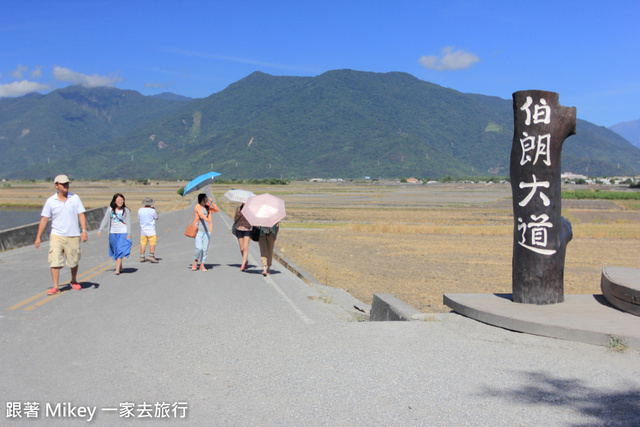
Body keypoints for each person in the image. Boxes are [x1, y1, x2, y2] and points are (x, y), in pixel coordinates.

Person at [34, 174, 88, 294]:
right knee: (54, 259)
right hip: (57, 235)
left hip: (73, 234)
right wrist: (38, 237)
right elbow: (44, 219)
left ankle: (74, 280)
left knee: (74, 259)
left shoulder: (75, 198)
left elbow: (81, 214)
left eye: (67, 184)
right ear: (56, 185)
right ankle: (55, 286)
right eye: (63, 184)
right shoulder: (50, 201)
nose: (66, 186)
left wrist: (84, 231)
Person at [97, 193, 132, 275]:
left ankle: (117, 268)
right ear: (114, 201)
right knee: (115, 250)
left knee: (120, 249)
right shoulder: (110, 210)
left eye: (122, 200)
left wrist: (129, 233)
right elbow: (105, 220)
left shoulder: (126, 210)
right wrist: (100, 230)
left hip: (123, 232)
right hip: (112, 232)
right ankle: (120, 266)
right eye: (118, 200)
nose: (120, 202)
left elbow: (128, 222)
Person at [192, 193, 219, 271]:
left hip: (207, 231)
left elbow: (216, 210)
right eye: (206, 197)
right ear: (202, 199)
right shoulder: (197, 206)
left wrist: (212, 202)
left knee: (205, 249)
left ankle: (202, 264)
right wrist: (207, 219)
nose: (207, 198)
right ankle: (196, 260)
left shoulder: (207, 207)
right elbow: (200, 215)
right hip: (198, 231)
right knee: (199, 248)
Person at [138, 197, 159, 263]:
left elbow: (139, 218)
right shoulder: (152, 211)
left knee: (143, 243)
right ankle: (151, 255)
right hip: (151, 230)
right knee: (152, 243)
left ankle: (142, 256)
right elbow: (156, 217)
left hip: (143, 230)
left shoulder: (140, 210)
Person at [233, 203, 252, 271]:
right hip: (239, 229)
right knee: (241, 248)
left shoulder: (250, 209)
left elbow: (253, 219)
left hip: (247, 229)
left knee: (245, 248)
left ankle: (243, 264)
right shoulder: (238, 208)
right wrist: (239, 214)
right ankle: (245, 261)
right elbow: (235, 219)